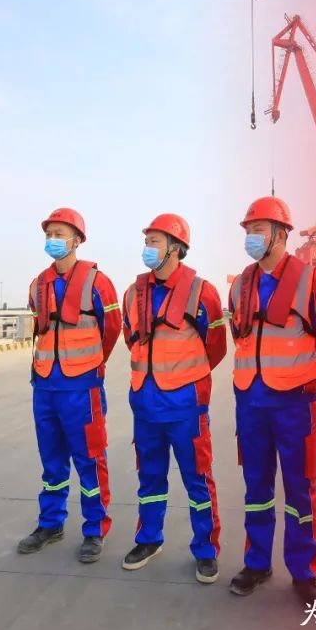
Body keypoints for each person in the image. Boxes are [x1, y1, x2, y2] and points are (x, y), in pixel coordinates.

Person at [226, 196, 316, 605]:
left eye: (258, 230)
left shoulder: (312, 281)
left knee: (299, 489)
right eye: (248, 230)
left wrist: (307, 378)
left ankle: (304, 572)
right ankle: (257, 562)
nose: (251, 237)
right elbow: (238, 337)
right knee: (256, 487)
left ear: (280, 234)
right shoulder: (240, 285)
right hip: (251, 402)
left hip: (294, 403)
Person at [120, 214, 228, 583]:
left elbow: (216, 347)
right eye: (146, 240)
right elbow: (130, 339)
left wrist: (184, 380)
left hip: (185, 407)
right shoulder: (133, 293)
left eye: (155, 241)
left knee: (198, 479)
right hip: (145, 405)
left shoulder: (202, 292)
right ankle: (149, 539)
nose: (147, 248)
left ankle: (206, 549)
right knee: (149, 477)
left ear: (176, 248)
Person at [17, 208, 120, 563]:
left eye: (59, 234)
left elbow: (112, 328)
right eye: (49, 234)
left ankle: (95, 529)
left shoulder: (98, 282)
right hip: (45, 386)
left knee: (90, 459)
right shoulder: (38, 284)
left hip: (82, 386)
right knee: (52, 462)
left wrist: (91, 364)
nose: (53, 240)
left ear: (77, 240)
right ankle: (50, 523)